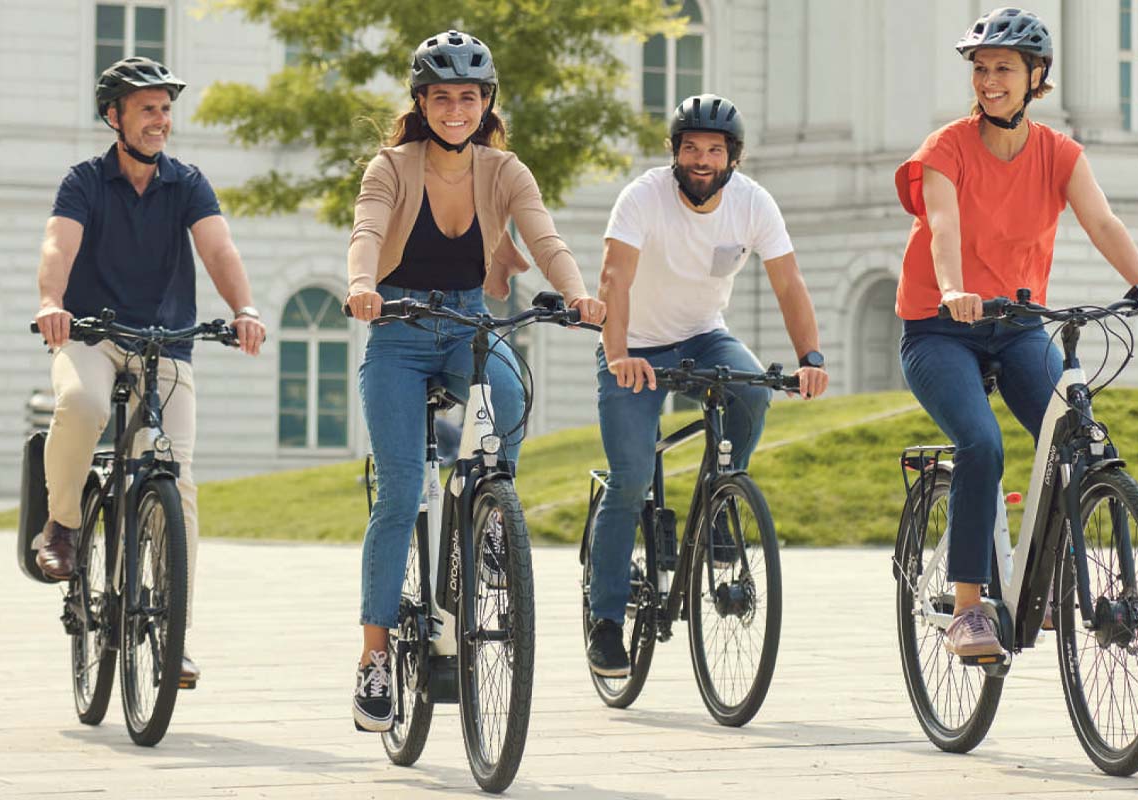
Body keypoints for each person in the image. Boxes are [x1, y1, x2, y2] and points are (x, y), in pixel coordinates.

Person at [895, 7, 1138, 659]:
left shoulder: (1059, 153)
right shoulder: (945, 149)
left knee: (1079, 436)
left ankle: (1047, 575)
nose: (990, 80)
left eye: (1004, 69)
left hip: (1019, 325)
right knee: (981, 442)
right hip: (941, 327)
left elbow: (1103, 223)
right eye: (981, 68)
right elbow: (943, 227)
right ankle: (969, 607)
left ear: (1035, 77)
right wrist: (951, 290)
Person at [345, 30, 605, 731]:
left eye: (467, 96)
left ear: (485, 102)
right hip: (397, 332)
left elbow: (544, 238)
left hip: (467, 326)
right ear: (421, 103)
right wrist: (362, 285)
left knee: (511, 393)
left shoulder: (505, 169)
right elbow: (367, 231)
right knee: (399, 495)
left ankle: (487, 518)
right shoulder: (391, 166)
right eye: (440, 97)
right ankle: (373, 659)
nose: (454, 108)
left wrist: (580, 295)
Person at [33, 56, 268, 685]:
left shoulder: (187, 182)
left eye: (166, 109)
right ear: (115, 117)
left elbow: (218, 246)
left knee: (177, 479)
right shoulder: (84, 181)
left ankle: (173, 636)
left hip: (165, 344)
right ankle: (62, 523)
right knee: (81, 405)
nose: (160, 120)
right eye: (147, 109)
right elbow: (59, 244)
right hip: (92, 335)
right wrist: (53, 304)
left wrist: (242, 307)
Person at [587, 93, 828, 677]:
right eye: (690, 148)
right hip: (633, 348)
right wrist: (617, 353)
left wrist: (810, 356)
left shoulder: (752, 204)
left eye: (713, 150)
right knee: (631, 479)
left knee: (751, 387)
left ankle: (721, 499)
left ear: (732, 158)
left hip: (702, 336)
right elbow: (614, 276)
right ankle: (607, 621)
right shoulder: (643, 196)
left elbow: (789, 282)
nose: (701, 159)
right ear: (674, 153)